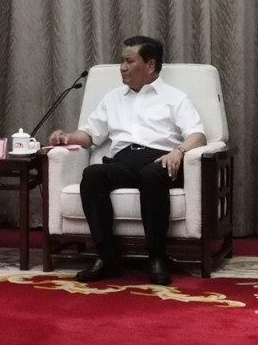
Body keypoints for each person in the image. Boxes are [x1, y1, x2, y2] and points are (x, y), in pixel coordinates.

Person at [49, 36, 206, 285]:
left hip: (159, 160)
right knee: (93, 175)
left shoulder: (174, 98)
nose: (122, 67)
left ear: (150, 65)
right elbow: (90, 135)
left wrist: (178, 152)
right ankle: (106, 257)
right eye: (122, 61)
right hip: (124, 160)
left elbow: (198, 135)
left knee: (150, 175)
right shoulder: (113, 98)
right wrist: (67, 137)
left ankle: (156, 258)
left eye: (129, 61)